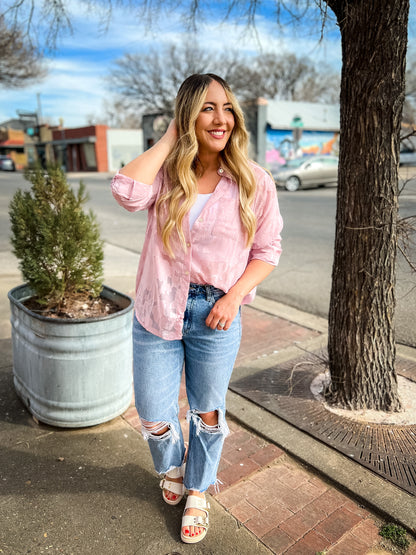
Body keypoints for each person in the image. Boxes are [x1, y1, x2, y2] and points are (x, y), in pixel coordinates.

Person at [111, 73, 283, 544]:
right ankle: (172, 467)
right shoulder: (165, 175)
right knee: (152, 409)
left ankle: (199, 489)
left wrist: (233, 296)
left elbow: (267, 251)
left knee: (207, 410)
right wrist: (171, 134)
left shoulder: (254, 180)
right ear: (187, 114)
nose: (221, 118)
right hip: (157, 308)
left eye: (227, 108)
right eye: (207, 108)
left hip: (216, 315)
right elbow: (125, 192)